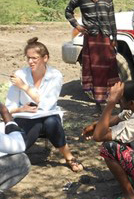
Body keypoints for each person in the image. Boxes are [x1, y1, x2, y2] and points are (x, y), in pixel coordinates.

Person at [6, 37, 83, 172]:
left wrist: (24, 87)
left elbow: (46, 106)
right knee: (37, 123)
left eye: (34, 58)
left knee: (50, 122)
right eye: (28, 58)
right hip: (25, 117)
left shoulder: (55, 75)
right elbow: (9, 108)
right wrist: (21, 108)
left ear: (45, 58)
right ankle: (14, 156)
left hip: (49, 116)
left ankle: (69, 157)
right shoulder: (20, 74)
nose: (30, 61)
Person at [65, 0, 120, 112]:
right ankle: (98, 102)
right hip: (92, 38)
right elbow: (68, 11)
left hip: (106, 37)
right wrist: (77, 26)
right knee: (95, 70)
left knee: (110, 69)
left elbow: (111, 16)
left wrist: (114, 37)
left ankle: (111, 101)